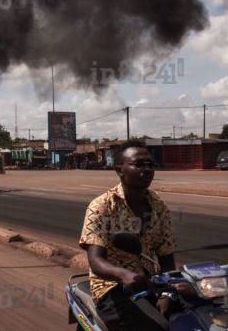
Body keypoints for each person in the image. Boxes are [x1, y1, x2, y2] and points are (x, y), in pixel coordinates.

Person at [79, 140, 176, 331]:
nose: (147, 169)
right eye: (138, 164)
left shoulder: (158, 205)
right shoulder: (101, 206)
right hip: (112, 288)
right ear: (119, 170)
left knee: (201, 313)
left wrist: (167, 293)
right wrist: (122, 274)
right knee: (158, 327)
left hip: (151, 283)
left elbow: (167, 255)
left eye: (150, 164)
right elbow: (96, 261)